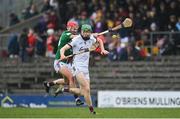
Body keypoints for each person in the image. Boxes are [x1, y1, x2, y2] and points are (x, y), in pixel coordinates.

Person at [60, 24, 109, 114]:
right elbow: (63, 49)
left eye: (88, 32)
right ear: (81, 32)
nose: (86, 34)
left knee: (85, 91)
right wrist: (63, 55)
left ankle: (65, 90)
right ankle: (92, 111)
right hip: (77, 66)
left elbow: (99, 41)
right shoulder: (76, 39)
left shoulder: (91, 38)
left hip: (85, 67)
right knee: (86, 88)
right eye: (84, 32)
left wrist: (102, 49)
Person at [43, 21, 84, 106]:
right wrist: (90, 35)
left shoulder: (74, 40)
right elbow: (78, 37)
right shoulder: (66, 34)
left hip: (67, 63)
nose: (76, 29)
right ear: (69, 28)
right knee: (71, 78)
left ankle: (48, 84)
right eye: (74, 27)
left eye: (76, 27)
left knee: (66, 81)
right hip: (59, 61)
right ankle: (77, 99)